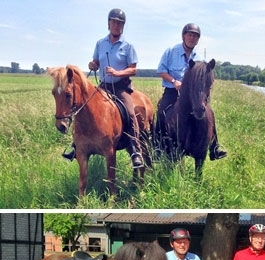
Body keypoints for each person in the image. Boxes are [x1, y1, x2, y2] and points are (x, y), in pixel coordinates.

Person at [62, 8, 144, 169]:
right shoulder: (100, 43)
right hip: (104, 85)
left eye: (120, 23)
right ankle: (76, 145)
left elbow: (133, 69)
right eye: (114, 22)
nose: (116, 25)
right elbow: (96, 61)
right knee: (84, 107)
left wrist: (118, 72)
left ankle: (135, 150)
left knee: (130, 112)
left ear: (123, 26)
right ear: (108, 24)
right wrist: (93, 64)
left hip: (121, 86)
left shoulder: (128, 46)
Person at [156, 23, 227, 161]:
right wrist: (174, 81)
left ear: (197, 39)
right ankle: (158, 145)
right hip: (173, 91)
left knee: (209, 113)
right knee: (161, 110)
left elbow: (206, 76)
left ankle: (214, 146)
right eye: (189, 35)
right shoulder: (171, 51)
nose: (192, 38)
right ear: (184, 36)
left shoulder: (200, 58)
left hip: (193, 95)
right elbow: (161, 71)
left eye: (195, 36)